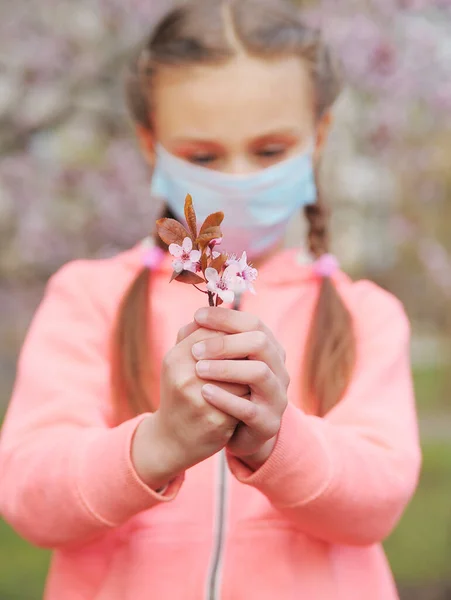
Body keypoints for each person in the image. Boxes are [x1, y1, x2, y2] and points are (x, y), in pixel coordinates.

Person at [0, 1, 421, 598]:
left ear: (319, 136)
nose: (240, 177)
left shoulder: (366, 315)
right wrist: (158, 445)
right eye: (203, 157)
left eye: (271, 150)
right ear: (151, 145)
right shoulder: (87, 297)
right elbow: (29, 494)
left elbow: (377, 501)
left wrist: (279, 441)